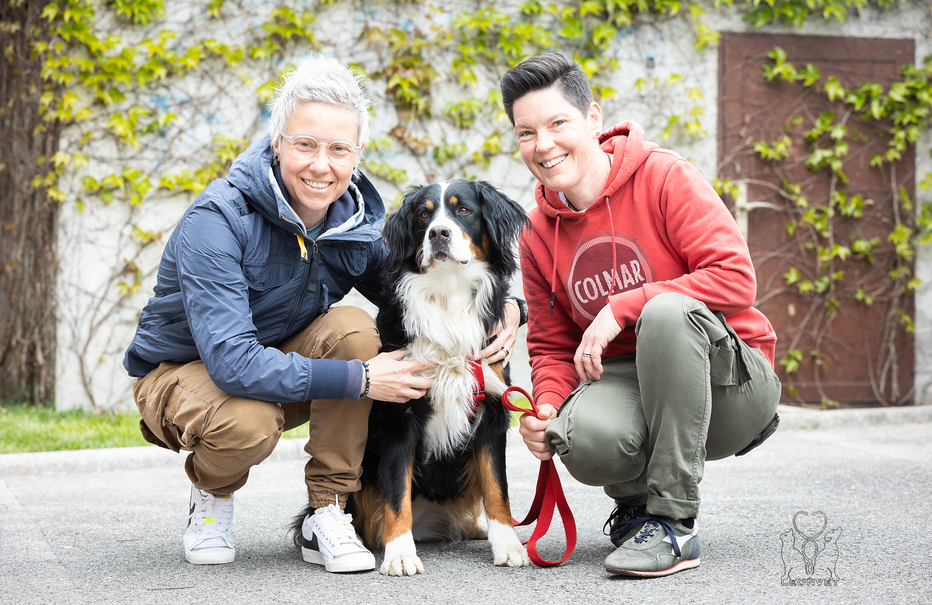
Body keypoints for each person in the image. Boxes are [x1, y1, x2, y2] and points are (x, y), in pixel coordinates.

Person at [124, 54, 523, 572]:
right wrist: (360, 380)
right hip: (185, 370)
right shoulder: (217, 221)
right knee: (249, 422)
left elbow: (411, 287)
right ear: (277, 144)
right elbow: (230, 362)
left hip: (272, 359)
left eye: (338, 149)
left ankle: (328, 511)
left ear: (356, 155)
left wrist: (512, 307)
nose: (321, 164)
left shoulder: (351, 223)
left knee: (355, 331)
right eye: (305, 144)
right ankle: (212, 498)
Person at [499, 54, 782, 577]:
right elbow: (553, 346)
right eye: (526, 132)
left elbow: (737, 278)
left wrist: (623, 306)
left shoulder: (664, 176)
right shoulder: (537, 232)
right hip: (631, 381)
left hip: (729, 385)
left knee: (668, 313)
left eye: (558, 123)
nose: (543, 145)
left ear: (592, 119)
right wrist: (544, 407)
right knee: (576, 435)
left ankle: (675, 524)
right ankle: (636, 509)